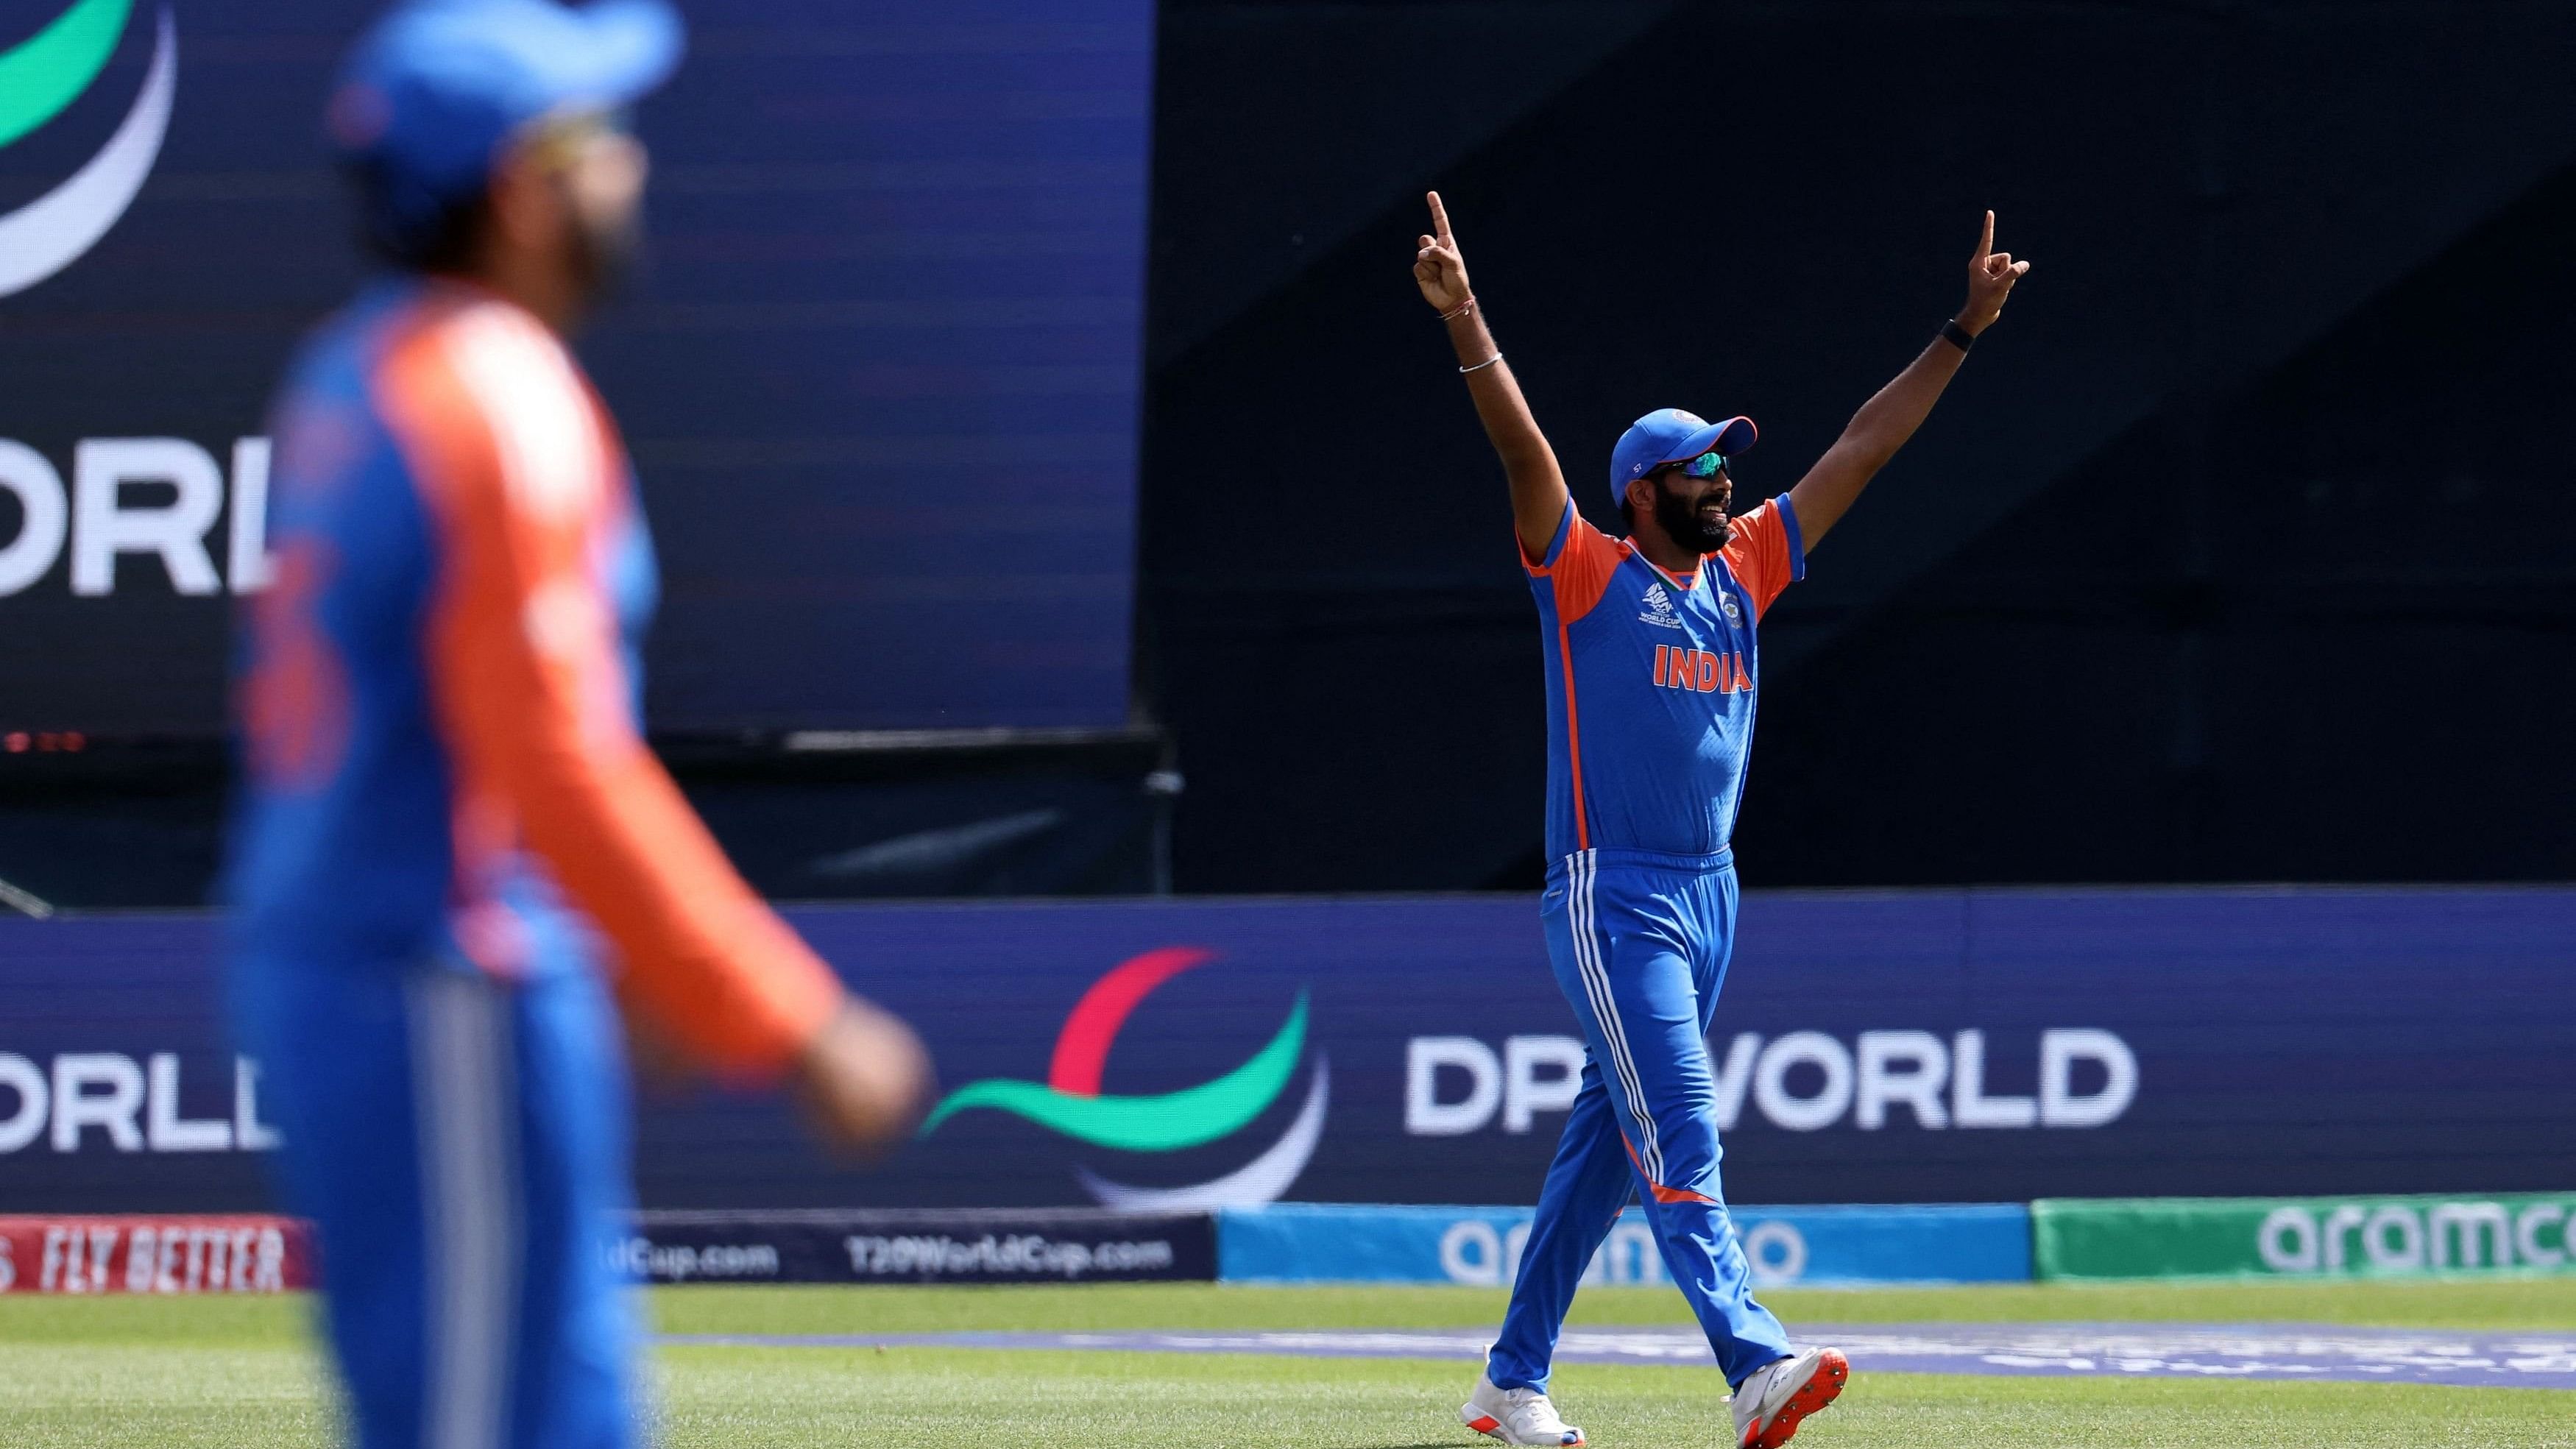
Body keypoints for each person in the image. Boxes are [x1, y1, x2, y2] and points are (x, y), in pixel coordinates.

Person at [224, 4, 932, 1446]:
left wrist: (607, 952)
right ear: (517, 192)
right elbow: (552, 751)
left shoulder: (357, 371)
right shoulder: (496, 394)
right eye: (596, 141)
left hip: (390, 970)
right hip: (444, 984)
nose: (630, 169)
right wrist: (785, 1018)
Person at [1412, 192, 2028, 1449]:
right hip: (1613, 890)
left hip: (1710, 895)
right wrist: (1467, 317)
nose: (1724, 476)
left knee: (1607, 1141)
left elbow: (1865, 447)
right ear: (1644, 491)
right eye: (1699, 465)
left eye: (1724, 460)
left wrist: (1961, 332)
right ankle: (1752, 1360)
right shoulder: (1584, 568)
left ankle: (1506, 1383)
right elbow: (1522, 450)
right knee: (1680, 1116)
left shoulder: (1744, 565)